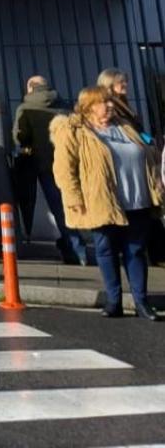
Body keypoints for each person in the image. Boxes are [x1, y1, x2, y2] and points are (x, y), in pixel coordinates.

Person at [52, 86, 163, 319]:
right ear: (89, 106)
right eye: (104, 102)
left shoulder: (124, 126)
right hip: (102, 200)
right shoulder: (75, 130)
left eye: (111, 102)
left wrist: (157, 188)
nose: (110, 106)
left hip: (137, 198)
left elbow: (148, 156)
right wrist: (74, 198)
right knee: (106, 249)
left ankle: (142, 302)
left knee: (135, 250)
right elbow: (64, 168)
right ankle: (114, 301)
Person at [14, 75, 83, 264]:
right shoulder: (64, 108)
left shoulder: (25, 108)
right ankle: (77, 249)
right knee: (69, 206)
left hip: (41, 164)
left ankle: (76, 250)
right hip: (68, 163)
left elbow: (20, 138)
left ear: (30, 88)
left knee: (54, 208)